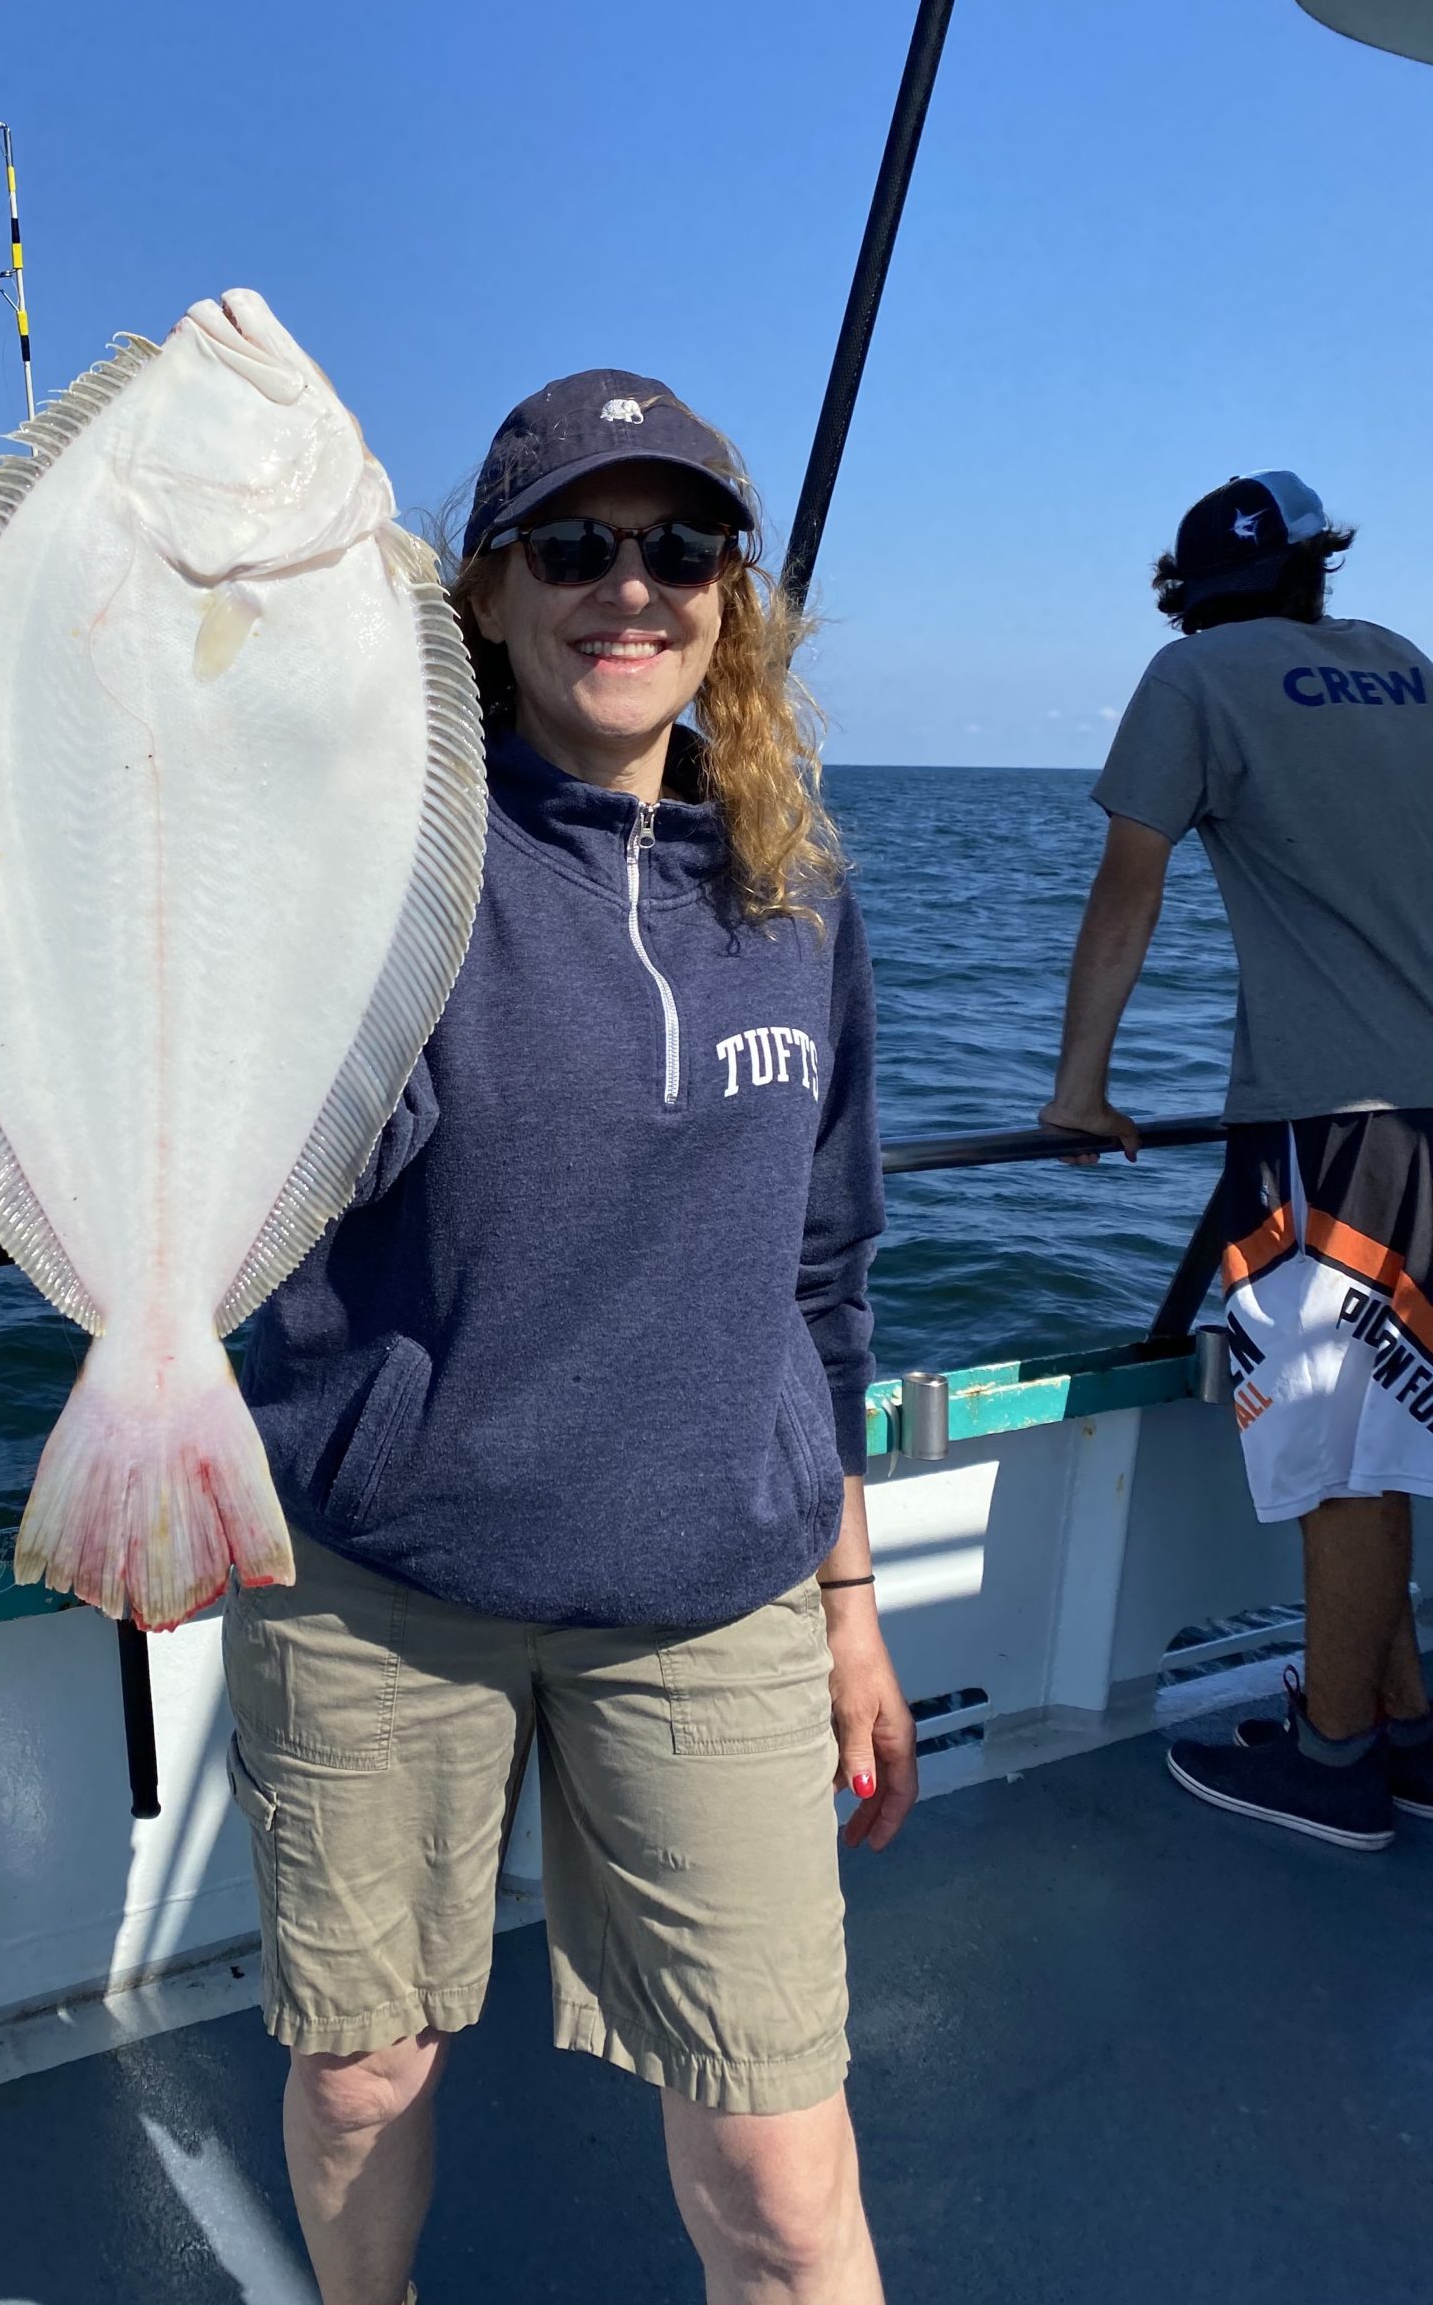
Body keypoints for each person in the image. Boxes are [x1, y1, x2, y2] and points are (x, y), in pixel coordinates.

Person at [225, 370, 916, 2305]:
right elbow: (258, 1169)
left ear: (732, 600)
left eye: (682, 546)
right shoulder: (382, 864)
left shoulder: (795, 891)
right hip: (387, 1581)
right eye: (577, 547)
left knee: (785, 2174)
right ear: (491, 594)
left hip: (716, 1589)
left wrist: (847, 1591)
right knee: (361, 2078)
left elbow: (827, 1267)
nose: (634, 588)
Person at [1041, 469, 1433, 1850]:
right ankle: (1399, 1725)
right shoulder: (1400, 664)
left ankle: (1333, 1766)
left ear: (1186, 592)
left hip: (1336, 1127)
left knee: (1338, 1458)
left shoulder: (1195, 674)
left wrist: (1080, 1087)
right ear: (1317, 572)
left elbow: (1127, 880)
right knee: (1388, 1436)